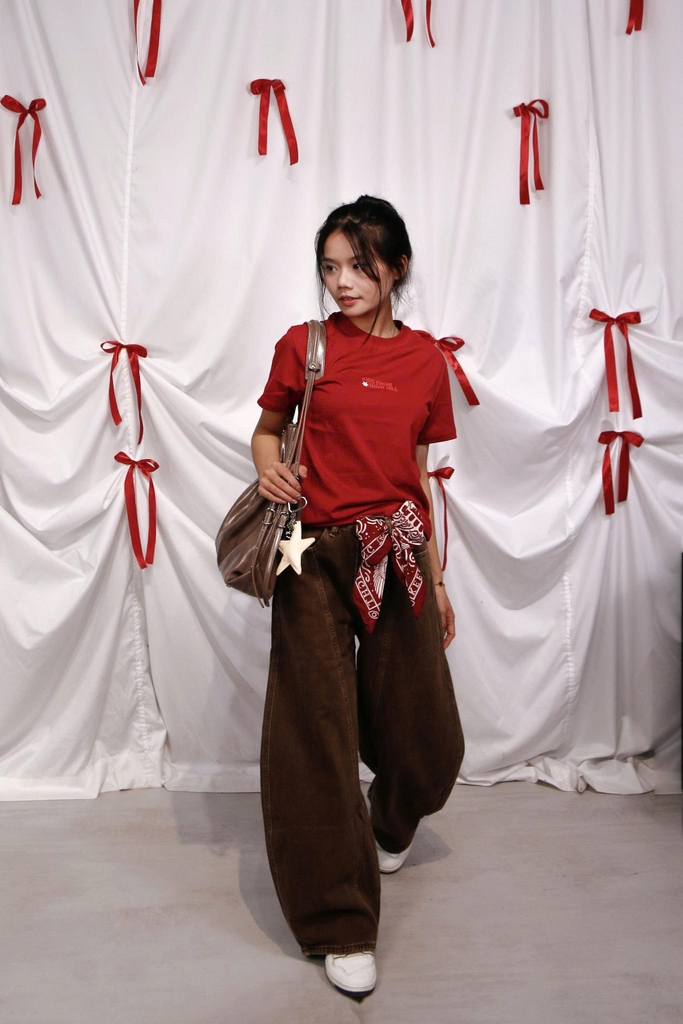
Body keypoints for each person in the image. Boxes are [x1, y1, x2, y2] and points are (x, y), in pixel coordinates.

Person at [251, 195, 465, 997]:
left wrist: (436, 578)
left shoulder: (425, 361)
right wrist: (269, 467)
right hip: (309, 554)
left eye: (359, 266)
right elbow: (266, 429)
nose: (341, 282)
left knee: (428, 733)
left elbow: (416, 475)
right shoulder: (302, 346)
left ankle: (389, 823)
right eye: (330, 267)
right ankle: (337, 923)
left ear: (396, 267)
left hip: (396, 549)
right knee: (315, 731)